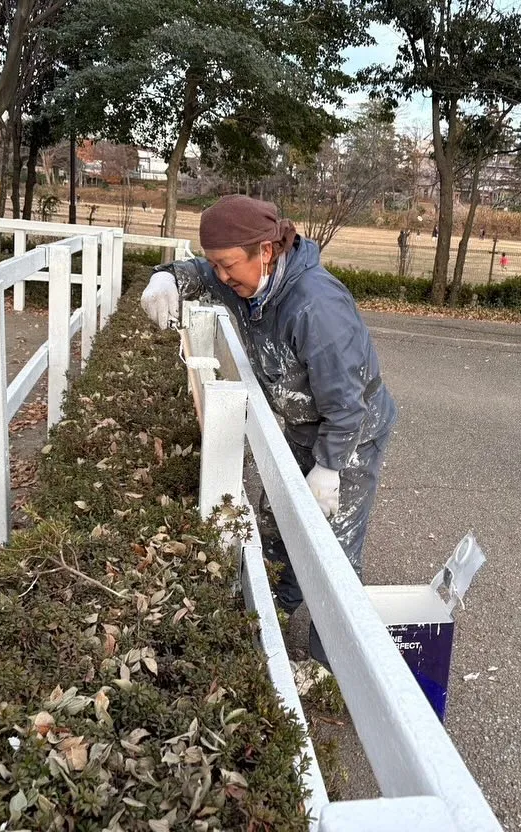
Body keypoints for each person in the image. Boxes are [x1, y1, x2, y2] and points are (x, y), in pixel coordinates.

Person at [140, 195, 397, 670]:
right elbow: (201, 270)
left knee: (333, 547)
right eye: (217, 266)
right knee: (277, 524)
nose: (221, 277)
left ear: (266, 250)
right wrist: (167, 277)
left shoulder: (316, 308)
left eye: (228, 265)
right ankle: (272, 615)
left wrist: (328, 467)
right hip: (299, 428)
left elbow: (348, 404)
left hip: (351, 436)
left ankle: (330, 664)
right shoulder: (248, 283)